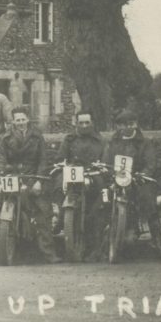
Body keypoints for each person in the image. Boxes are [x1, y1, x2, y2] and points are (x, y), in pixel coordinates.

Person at [0, 107, 60, 263]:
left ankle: (48, 252)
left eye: (23, 119)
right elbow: (0, 160)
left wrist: (39, 181)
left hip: (31, 176)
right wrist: (2, 178)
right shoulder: (5, 138)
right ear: (13, 121)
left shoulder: (37, 137)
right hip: (10, 175)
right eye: (17, 120)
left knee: (43, 208)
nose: (20, 122)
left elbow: (43, 160)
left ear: (28, 120)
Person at [101, 109, 161, 260]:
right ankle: (105, 243)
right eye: (123, 124)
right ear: (118, 126)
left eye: (131, 123)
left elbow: (150, 163)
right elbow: (106, 162)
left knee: (148, 201)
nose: (127, 127)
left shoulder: (145, 143)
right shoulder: (112, 143)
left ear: (136, 124)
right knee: (103, 200)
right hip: (116, 179)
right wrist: (110, 174)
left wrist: (143, 175)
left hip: (138, 180)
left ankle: (157, 242)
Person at [55, 111, 107, 260]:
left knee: (101, 193)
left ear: (92, 123)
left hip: (92, 173)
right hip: (73, 172)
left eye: (87, 123)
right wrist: (63, 163)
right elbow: (60, 157)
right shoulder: (69, 139)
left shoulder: (100, 141)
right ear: (76, 123)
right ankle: (61, 216)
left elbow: (105, 157)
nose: (84, 126)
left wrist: (100, 166)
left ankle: (95, 239)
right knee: (59, 185)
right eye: (81, 123)